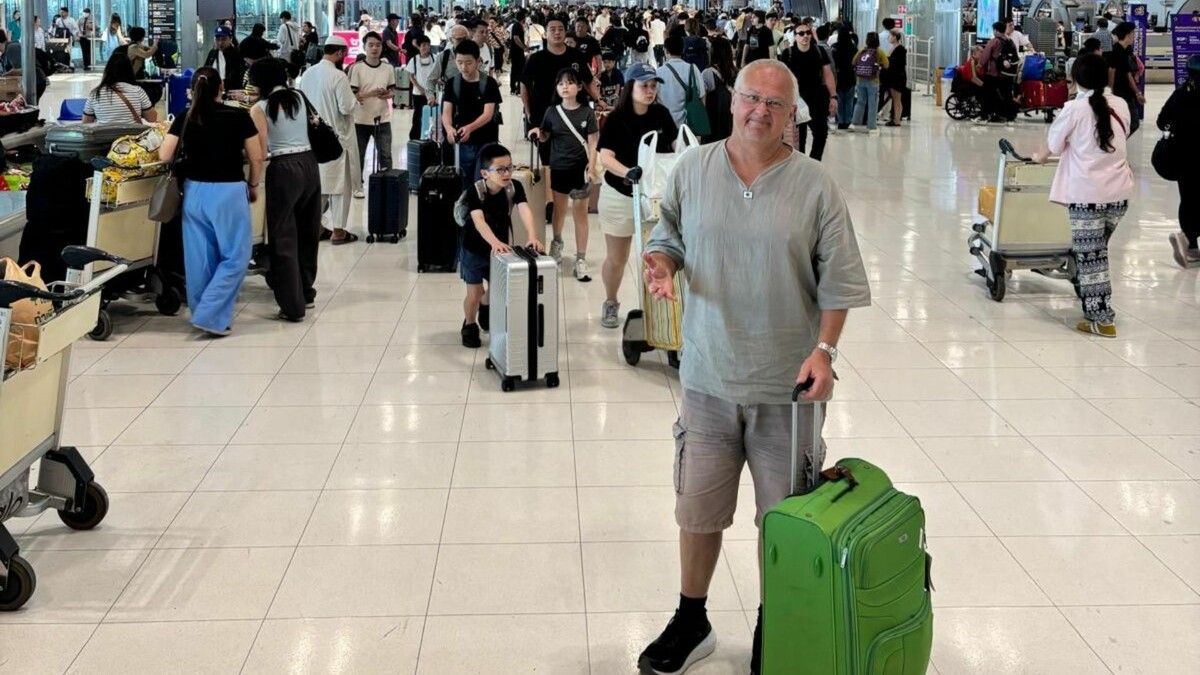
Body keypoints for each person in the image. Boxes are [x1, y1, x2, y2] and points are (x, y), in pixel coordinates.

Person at [638, 57, 870, 675]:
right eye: (750, 98)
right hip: (709, 375)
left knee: (786, 521)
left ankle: (778, 622)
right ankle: (692, 618)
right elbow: (669, 234)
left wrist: (825, 351)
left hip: (787, 389)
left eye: (775, 104)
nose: (760, 112)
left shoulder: (816, 185)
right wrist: (662, 262)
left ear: (792, 116)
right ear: (732, 100)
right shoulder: (694, 169)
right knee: (697, 508)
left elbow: (839, 281)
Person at [1031, 53, 1133, 338]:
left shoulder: (1074, 109)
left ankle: (1101, 319)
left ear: (1075, 79)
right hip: (1119, 193)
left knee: (1093, 257)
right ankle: (1089, 293)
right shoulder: (1121, 104)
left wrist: (1039, 156)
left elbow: (1053, 143)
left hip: (1088, 195)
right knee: (1094, 252)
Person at [159, 67, 265, 337]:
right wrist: (253, 185)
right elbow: (256, 157)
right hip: (228, 192)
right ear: (221, 89)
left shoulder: (186, 117)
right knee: (236, 255)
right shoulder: (238, 116)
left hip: (194, 193)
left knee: (199, 258)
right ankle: (209, 313)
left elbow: (165, 154)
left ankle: (205, 314)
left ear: (192, 89)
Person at [595, 63, 676, 329]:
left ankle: (657, 310)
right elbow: (605, 157)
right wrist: (628, 172)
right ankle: (610, 300)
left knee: (655, 257)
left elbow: (675, 148)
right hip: (619, 196)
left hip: (654, 199)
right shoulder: (616, 119)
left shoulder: (662, 115)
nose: (649, 91)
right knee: (617, 258)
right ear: (630, 88)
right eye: (644, 86)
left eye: (653, 86)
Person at [249, 58, 322, 322]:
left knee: (283, 238)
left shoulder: (261, 107)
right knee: (308, 232)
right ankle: (306, 291)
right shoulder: (299, 98)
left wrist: (253, 183)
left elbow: (261, 148)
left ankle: (292, 306)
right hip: (310, 165)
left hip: (283, 169)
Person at [457, 143, 545, 349]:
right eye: (500, 169)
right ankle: (469, 325)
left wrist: (532, 235)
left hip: (499, 252)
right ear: (485, 173)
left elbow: (524, 210)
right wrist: (495, 242)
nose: (507, 173)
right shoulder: (475, 191)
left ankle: (485, 307)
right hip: (473, 250)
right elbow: (479, 222)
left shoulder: (514, 187)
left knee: (497, 289)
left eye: (510, 167)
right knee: (475, 292)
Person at [521, 15, 599, 218]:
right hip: (543, 116)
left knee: (574, 156)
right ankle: (550, 202)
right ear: (546, 33)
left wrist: (600, 100)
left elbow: (588, 80)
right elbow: (524, 86)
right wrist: (529, 113)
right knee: (548, 160)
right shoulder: (535, 59)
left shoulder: (575, 56)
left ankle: (575, 195)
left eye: (560, 29)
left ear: (565, 32)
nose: (557, 32)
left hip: (574, 114)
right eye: (552, 29)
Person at [527, 67, 598, 277]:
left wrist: (591, 167)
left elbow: (593, 142)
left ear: (578, 87)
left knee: (580, 214)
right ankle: (557, 244)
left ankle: (581, 258)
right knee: (559, 210)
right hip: (558, 168)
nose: (565, 87)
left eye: (569, 82)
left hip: (581, 171)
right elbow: (545, 135)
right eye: (560, 83)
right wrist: (537, 133)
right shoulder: (552, 112)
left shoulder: (587, 112)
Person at [299, 35, 361, 245]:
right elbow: (346, 107)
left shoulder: (307, 74)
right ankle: (339, 231)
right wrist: (355, 99)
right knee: (341, 186)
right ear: (340, 53)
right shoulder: (338, 76)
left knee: (321, 184)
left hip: (314, 137)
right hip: (337, 138)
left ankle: (315, 227)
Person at [441, 39, 502, 192]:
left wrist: (469, 128)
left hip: (486, 140)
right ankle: (467, 214)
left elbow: (488, 114)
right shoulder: (452, 84)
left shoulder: (489, 83)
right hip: (463, 143)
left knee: (484, 183)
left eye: (468, 63)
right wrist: (449, 129)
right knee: (465, 182)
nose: (463, 67)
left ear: (478, 61)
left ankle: (484, 214)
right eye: (459, 62)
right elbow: (446, 112)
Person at [1158, 55, 1200, 267]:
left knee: (1189, 199)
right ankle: (1186, 237)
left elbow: (1161, 121)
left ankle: (1191, 247)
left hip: (1183, 157)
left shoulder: (1181, 94)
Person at [349, 31, 397, 192]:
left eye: (377, 45)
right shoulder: (357, 68)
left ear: (382, 47)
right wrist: (371, 93)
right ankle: (357, 186)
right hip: (360, 120)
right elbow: (353, 94)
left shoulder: (388, 68)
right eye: (371, 45)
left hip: (382, 119)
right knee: (359, 155)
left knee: (385, 155)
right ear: (364, 47)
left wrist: (387, 94)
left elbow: (392, 91)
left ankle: (388, 185)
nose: (374, 48)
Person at [783, 20, 836, 158]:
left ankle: (814, 162)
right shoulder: (788, 54)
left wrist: (833, 96)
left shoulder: (819, 51)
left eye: (808, 33)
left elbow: (828, 73)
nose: (805, 36)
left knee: (821, 133)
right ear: (795, 36)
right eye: (801, 33)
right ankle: (801, 165)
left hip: (817, 98)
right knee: (799, 137)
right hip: (797, 99)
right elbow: (782, 78)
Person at [82, 54, 156, 123]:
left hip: (104, 136)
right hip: (132, 136)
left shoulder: (95, 93)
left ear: (107, 70)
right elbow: (152, 118)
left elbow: (86, 122)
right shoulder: (137, 91)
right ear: (129, 70)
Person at [656, 34, 705, 128]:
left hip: (665, 125)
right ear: (683, 50)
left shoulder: (658, 73)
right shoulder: (692, 69)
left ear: (665, 51)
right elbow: (702, 96)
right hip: (688, 125)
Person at [979, 20, 1018, 122]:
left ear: (996, 30)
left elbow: (985, 57)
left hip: (993, 73)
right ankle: (1010, 116)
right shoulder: (1010, 41)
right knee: (1007, 95)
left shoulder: (994, 41)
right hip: (1007, 73)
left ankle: (985, 115)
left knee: (987, 94)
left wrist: (980, 65)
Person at [1107, 21, 1142, 135]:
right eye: (1133, 33)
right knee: (1133, 122)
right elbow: (1111, 71)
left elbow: (1128, 73)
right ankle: (1116, 141)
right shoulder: (1116, 51)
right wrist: (1110, 92)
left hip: (1126, 90)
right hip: (1119, 91)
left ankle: (1116, 141)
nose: (1134, 36)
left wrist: (1137, 92)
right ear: (1128, 34)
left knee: (1131, 122)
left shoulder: (1126, 50)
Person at [851, 32, 887, 133]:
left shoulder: (863, 50)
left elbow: (853, 61)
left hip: (860, 79)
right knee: (873, 104)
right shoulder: (879, 51)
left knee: (860, 102)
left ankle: (854, 123)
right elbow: (887, 64)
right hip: (873, 80)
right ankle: (871, 126)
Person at [701, 37, 736, 142]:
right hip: (731, 119)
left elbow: (703, 99)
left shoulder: (707, 73)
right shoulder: (735, 71)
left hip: (713, 122)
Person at [406, 35, 437, 140]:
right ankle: (414, 138)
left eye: (428, 45)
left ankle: (430, 137)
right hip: (418, 93)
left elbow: (438, 74)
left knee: (432, 115)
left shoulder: (435, 58)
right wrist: (420, 88)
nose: (426, 47)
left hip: (432, 93)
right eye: (423, 45)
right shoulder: (414, 60)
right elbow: (411, 76)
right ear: (419, 47)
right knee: (418, 116)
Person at [832, 25, 858, 130]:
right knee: (849, 100)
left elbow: (833, 63)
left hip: (838, 76)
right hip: (850, 75)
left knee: (840, 99)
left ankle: (840, 121)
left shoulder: (835, 47)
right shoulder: (853, 47)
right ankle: (847, 120)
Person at [205, 25, 245, 93]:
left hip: (231, 92)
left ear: (230, 39)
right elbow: (205, 70)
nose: (220, 43)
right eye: (218, 39)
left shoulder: (237, 54)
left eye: (224, 39)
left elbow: (238, 75)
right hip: (214, 90)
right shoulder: (212, 53)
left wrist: (224, 83)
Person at [883, 30, 907, 127]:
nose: (889, 38)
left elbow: (899, 64)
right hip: (894, 76)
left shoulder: (900, 49)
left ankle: (897, 120)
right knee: (896, 99)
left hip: (897, 77)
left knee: (897, 99)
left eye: (890, 36)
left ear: (895, 37)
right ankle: (896, 118)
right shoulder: (894, 48)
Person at [508, 10, 528, 94]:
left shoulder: (517, 25)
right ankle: (516, 88)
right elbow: (516, 38)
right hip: (517, 52)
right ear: (523, 18)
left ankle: (515, 88)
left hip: (516, 51)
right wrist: (524, 47)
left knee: (516, 69)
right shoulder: (517, 25)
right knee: (519, 70)